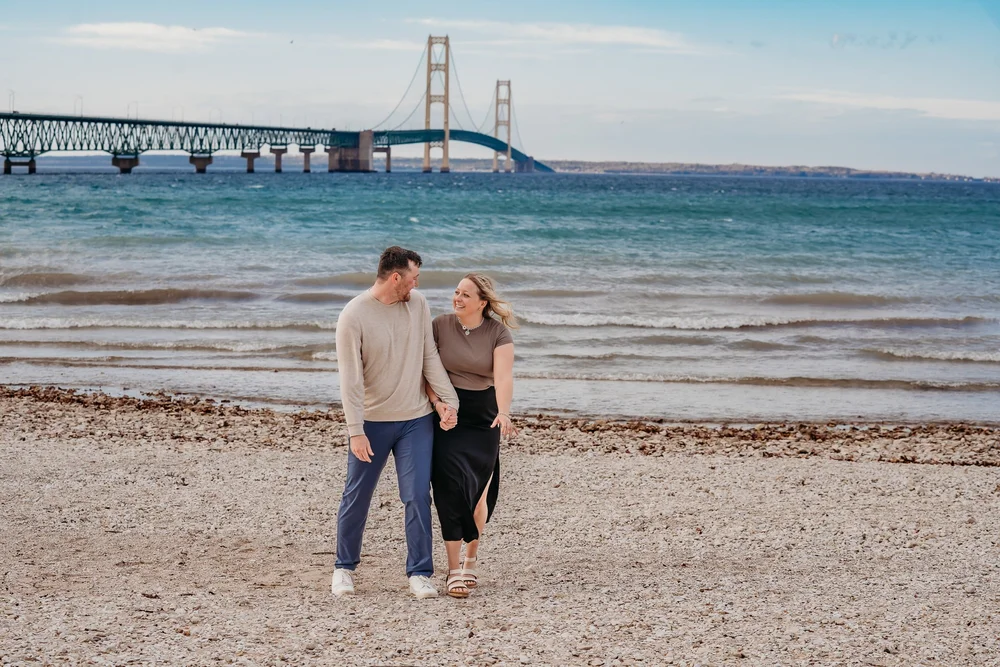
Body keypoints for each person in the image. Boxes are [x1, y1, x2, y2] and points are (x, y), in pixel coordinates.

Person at [331, 246, 460, 599]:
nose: (417, 284)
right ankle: (344, 568)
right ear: (395, 278)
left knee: (417, 495)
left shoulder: (417, 304)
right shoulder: (353, 316)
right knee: (357, 495)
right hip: (372, 423)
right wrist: (355, 430)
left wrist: (449, 402)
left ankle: (419, 572)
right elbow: (350, 380)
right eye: (413, 277)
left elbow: (427, 355)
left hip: (415, 420)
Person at [425, 273, 518, 598]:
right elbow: (426, 369)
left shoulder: (498, 332)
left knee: (478, 492)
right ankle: (453, 571)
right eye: (456, 292)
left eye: (466, 294)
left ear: (482, 302)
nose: (457, 298)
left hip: (483, 418)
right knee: (449, 489)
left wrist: (503, 412)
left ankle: (471, 559)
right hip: (449, 415)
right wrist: (437, 404)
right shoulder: (439, 325)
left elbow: (503, 378)